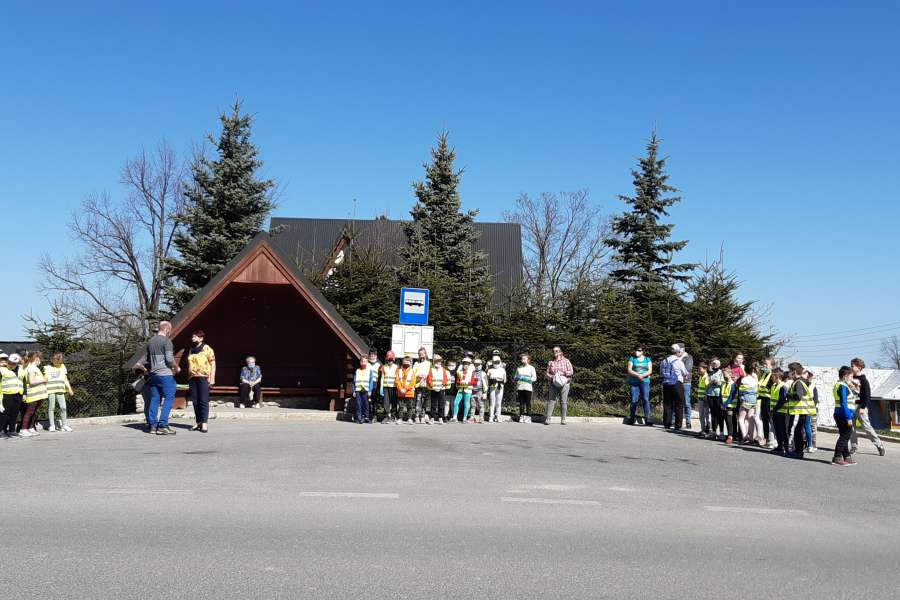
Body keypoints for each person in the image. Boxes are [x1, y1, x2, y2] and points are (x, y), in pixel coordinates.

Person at [145, 321, 179, 435]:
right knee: (169, 398)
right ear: (166, 329)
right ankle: (163, 425)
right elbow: (169, 359)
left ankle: (152, 426)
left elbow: (148, 360)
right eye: (170, 330)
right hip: (165, 374)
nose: (170, 332)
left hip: (153, 374)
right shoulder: (166, 341)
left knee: (155, 399)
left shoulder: (150, 341)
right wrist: (176, 367)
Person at [849, 358, 885, 456]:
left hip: (860, 406)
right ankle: (853, 447)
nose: (851, 367)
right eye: (851, 365)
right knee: (851, 427)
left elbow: (867, 395)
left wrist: (863, 407)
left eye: (853, 366)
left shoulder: (864, 380)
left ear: (859, 367)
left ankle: (879, 445)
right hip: (850, 406)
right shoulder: (849, 378)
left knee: (866, 427)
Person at [186, 331, 215, 433]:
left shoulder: (207, 348)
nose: (193, 338)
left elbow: (213, 364)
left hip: (203, 377)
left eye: (195, 336)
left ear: (201, 338)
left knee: (203, 400)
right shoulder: (191, 350)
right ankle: (198, 422)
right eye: (192, 336)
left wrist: (212, 378)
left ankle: (204, 423)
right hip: (192, 378)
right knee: (195, 401)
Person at [832, 366, 858, 466]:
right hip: (843, 414)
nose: (852, 379)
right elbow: (844, 402)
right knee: (846, 435)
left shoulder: (843, 385)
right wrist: (848, 418)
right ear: (845, 376)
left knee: (845, 435)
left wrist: (854, 388)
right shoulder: (842, 386)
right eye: (851, 376)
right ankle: (837, 457)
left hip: (840, 413)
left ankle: (846, 456)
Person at [787, 362, 813, 458]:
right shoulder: (801, 381)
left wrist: (788, 395)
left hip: (800, 411)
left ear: (794, 372)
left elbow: (798, 396)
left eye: (789, 371)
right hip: (802, 411)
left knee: (798, 431)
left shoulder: (798, 382)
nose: (788, 373)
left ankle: (798, 451)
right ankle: (798, 450)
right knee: (799, 431)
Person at [20, 352, 49, 437]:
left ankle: (31, 427)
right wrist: (43, 380)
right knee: (29, 412)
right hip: (33, 395)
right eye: (39, 358)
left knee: (34, 412)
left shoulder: (35, 368)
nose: (40, 360)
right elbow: (31, 381)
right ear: (36, 359)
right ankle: (24, 429)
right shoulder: (31, 368)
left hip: (39, 394)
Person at [660, 344, 688, 431]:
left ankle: (667, 424)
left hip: (666, 384)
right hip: (677, 384)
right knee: (679, 404)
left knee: (667, 404)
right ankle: (678, 425)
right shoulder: (678, 362)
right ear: (677, 352)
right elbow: (685, 373)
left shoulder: (664, 361)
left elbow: (661, 372)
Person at [44, 352, 74, 432]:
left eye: (59, 360)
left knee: (63, 407)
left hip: (60, 390)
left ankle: (64, 425)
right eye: (55, 360)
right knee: (52, 407)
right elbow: (45, 379)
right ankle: (52, 425)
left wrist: (69, 389)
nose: (57, 362)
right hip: (50, 390)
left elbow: (65, 379)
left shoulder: (63, 366)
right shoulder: (46, 367)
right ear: (52, 359)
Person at [544, 346, 573, 426]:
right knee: (551, 401)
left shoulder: (566, 361)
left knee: (563, 401)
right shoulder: (551, 362)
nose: (555, 352)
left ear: (560, 352)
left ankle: (563, 419)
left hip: (565, 383)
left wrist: (563, 373)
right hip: (554, 383)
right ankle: (548, 418)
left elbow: (571, 371)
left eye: (556, 351)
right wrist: (552, 376)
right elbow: (547, 373)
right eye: (554, 351)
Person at [625, 346, 653, 426]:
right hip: (634, 382)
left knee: (645, 399)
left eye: (639, 350)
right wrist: (638, 375)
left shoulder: (648, 359)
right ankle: (632, 417)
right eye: (636, 350)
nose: (636, 352)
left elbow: (650, 371)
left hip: (645, 381)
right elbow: (629, 370)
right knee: (634, 400)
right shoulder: (632, 359)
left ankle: (647, 418)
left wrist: (642, 376)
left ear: (643, 351)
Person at [0, 353, 25, 438]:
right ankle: (2, 431)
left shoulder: (21, 369)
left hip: (18, 394)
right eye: (9, 363)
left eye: (13, 364)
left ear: (17, 364)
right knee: (5, 413)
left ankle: (12, 430)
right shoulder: (2, 370)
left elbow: (23, 381)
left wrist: (24, 393)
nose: (11, 365)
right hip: (7, 394)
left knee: (14, 413)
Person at [737, 361, 760, 444]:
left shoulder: (744, 379)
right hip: (753, 401)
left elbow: (741, 390)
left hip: (745, 401)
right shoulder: (755, 379)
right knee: (750, 419)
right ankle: (751, 438)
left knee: (741, 419)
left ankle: (744, 436)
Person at [769, 368, 789, 454]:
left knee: (783, 431)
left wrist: (774, 409)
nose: (771, 377)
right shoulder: (773, 386)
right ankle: (780, 446)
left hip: (782, 412)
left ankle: (786, 447)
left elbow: (782, 400)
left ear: (777, 376)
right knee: (777, 430)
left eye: (772, 375)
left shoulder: (783, 386)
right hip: (775, 411)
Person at [514, 353, 537, 423]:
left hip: (528, 388)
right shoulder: (519, 368)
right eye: (522, 358)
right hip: (520, 387)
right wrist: (518, 378)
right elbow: (515, 377)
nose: (522, 359)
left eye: (524, 358)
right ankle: (521, 416)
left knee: (528, 403)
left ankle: (528, 417)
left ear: (528, 359)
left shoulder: (531, 368)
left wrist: (526, 379)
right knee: (521, 403)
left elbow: (534, 378)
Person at [706, 358, 725, 440]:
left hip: (718, 395)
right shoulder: (710, 373)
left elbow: (723, 382)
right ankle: (713, 431)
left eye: (716, 364)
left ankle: (721, 432)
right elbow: (707, 383)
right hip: (710, 394)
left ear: (719, 365)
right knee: (713, 414)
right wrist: (710, 383)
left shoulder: (721, 373)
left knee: (720, 414)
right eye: (713, 364)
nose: (715, 365)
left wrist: (717, 382)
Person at [452, 356, 475, 424]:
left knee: (466, 404)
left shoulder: (472, 372)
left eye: (467, 364)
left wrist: (467, 383)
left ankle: (464, 418)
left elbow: (475, 382)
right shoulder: (459, 372)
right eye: (464, 363)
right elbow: (458, 381)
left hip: (468, 390)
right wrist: (460, 382)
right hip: (460, 389)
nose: (466, 365)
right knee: (456, 402)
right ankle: (454, 417)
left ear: (469, 364)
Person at [427, 355, 449, 424]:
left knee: (441, 404)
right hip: (433, 389)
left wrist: (442, 384)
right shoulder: (431, 369)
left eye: (439, 361)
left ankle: (440, 418)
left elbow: (445, 378)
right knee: (433, 404)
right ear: (434, 362)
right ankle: (432, 418)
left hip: (441, 389)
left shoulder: (443, 369)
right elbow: (429, 379)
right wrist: (431, 385)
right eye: (436, 361)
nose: (438, 362)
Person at [757, 358, 774, 447]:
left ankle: (773, 439)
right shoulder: (764, 374)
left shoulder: (773, 375)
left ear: (772, 366)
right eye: (764, 364)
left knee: (770, 421)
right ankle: (766, 438)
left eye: (766, 364)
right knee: (764, 420)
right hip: (763, 400)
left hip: (770, 401)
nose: (764, 366)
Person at [413, 347, 432, 424]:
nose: (421, 355)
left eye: (423, 353)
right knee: (418, 401)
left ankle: (423, 416)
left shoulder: (429, 363)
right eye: (420, 354)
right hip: (418, 385)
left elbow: (430, 373)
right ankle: (417, 416)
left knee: (425, 402)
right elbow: (413, 373)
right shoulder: (416, 363)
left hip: (426, 385)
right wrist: (418, 375)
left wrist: (426, 376)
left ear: (425, 354)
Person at [396, 356, 417, 424]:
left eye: (408, 361)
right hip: (401, 392)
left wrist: (406, 389)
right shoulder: (399, 371)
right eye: (405, 361)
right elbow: (397, 381)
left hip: (409, 393)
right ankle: (400, 418)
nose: (406, 363)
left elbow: (413, 382)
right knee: (401, 406)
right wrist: (401, 389)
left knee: (410, 407)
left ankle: (410, 419)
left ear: (410, 363)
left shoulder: (412, 371)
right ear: (402, 362)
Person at [353, 357, 374, 424]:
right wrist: (353, 391)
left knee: (366, 404)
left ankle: (366, 417)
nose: (363, 363)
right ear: (360, 362)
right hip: (358, 390)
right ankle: (359, 417)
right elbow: (354, 382)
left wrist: (370, 390)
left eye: (365, 361)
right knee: (358, 404)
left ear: (367, 362)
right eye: (362, 361)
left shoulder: (369, 371)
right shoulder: (357, 371)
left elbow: (371, 381)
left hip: (366, 390)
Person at [380, 351, 399, 424]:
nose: (390, 361)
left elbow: (397, 378)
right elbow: (382, 378)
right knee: (386, 402)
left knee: (394, 402)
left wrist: (398, 387)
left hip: (394, 387)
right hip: (385, 387)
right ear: (386, 359)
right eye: (388, 360)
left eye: (391, 360)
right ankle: (386, 416)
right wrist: (381, 388)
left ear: (393, 359)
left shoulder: (396, 367)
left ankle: (393, 416)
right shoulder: (384, 367)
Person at [487, 355, 507, 423]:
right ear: (492, 362)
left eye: (497, 362)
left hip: (500, 387)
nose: (496, 363)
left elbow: (505, 380)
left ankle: (498, 416)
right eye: (494, 362)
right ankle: (491, 417)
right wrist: (492, 381)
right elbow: (487, 379)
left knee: (498, 403)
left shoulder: (502, 370)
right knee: (492, 403)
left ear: (500, 362)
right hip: (492, 387)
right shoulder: (490, 370)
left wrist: (499, 381)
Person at [803, 370, 819, 453]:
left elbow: (815, 399)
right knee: (806, 427)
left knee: (812, 427)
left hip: (812, 409)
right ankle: (806, 444)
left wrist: (811, 407)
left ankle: (813, 444)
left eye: (810, 377)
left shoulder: (813, 386)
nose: (809, 379)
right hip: (805, 409)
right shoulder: (803, 384)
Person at [469, 358, 488, 423]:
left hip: (480, 391)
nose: (477, 366)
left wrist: (485, 392)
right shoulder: (472, 373)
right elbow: (470, 382)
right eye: (476, 365)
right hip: (472, 391)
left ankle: (481, 418)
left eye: (479, 364)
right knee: (472, 405)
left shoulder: (483, 373)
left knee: (481, 405)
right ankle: (472, 417)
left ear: (481, 365)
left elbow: (485, 384)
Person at [721, 368, 737, 444]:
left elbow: (731, 396)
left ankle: (731, 436)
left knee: (730, 420)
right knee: (726, 421)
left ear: (730, 374)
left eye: (725, 374)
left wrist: (725, 404)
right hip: (724, 405)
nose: (724, 376)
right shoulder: (723, 383)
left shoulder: (733, 384)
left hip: (730, 405)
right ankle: (730, 434)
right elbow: (721, 395)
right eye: (723, 374)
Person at [680, 346, 694, 429]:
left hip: (686, 382)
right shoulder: (676, 357)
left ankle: (688, 422)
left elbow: (687, 369)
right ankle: (675, 421)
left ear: (682, 350)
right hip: (677, 382)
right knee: (677, 402)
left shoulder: (689, 357)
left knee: (686, 402)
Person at [367, 349, 382, 421]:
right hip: (367, 384)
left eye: (373, 355)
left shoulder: (379, 364)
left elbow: (381, 376)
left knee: (374, 400)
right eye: (371, 355)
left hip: (375, 384)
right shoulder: (366, 363)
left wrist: (379, 387)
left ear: (376, 356)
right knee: (367, 400)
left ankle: (374, 415)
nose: (372, 356)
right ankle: (367, 414)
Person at [696, 362, 710, 437]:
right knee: (701, 415)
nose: (699, 370)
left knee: (706, 415)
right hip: (700, 398)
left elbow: (707, 388)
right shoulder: (701, 376)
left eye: (700, 369)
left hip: (704, 399)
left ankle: (708, 429)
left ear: (705, 369)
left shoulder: (706, 377)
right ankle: (703, 429)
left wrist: (706, 398)